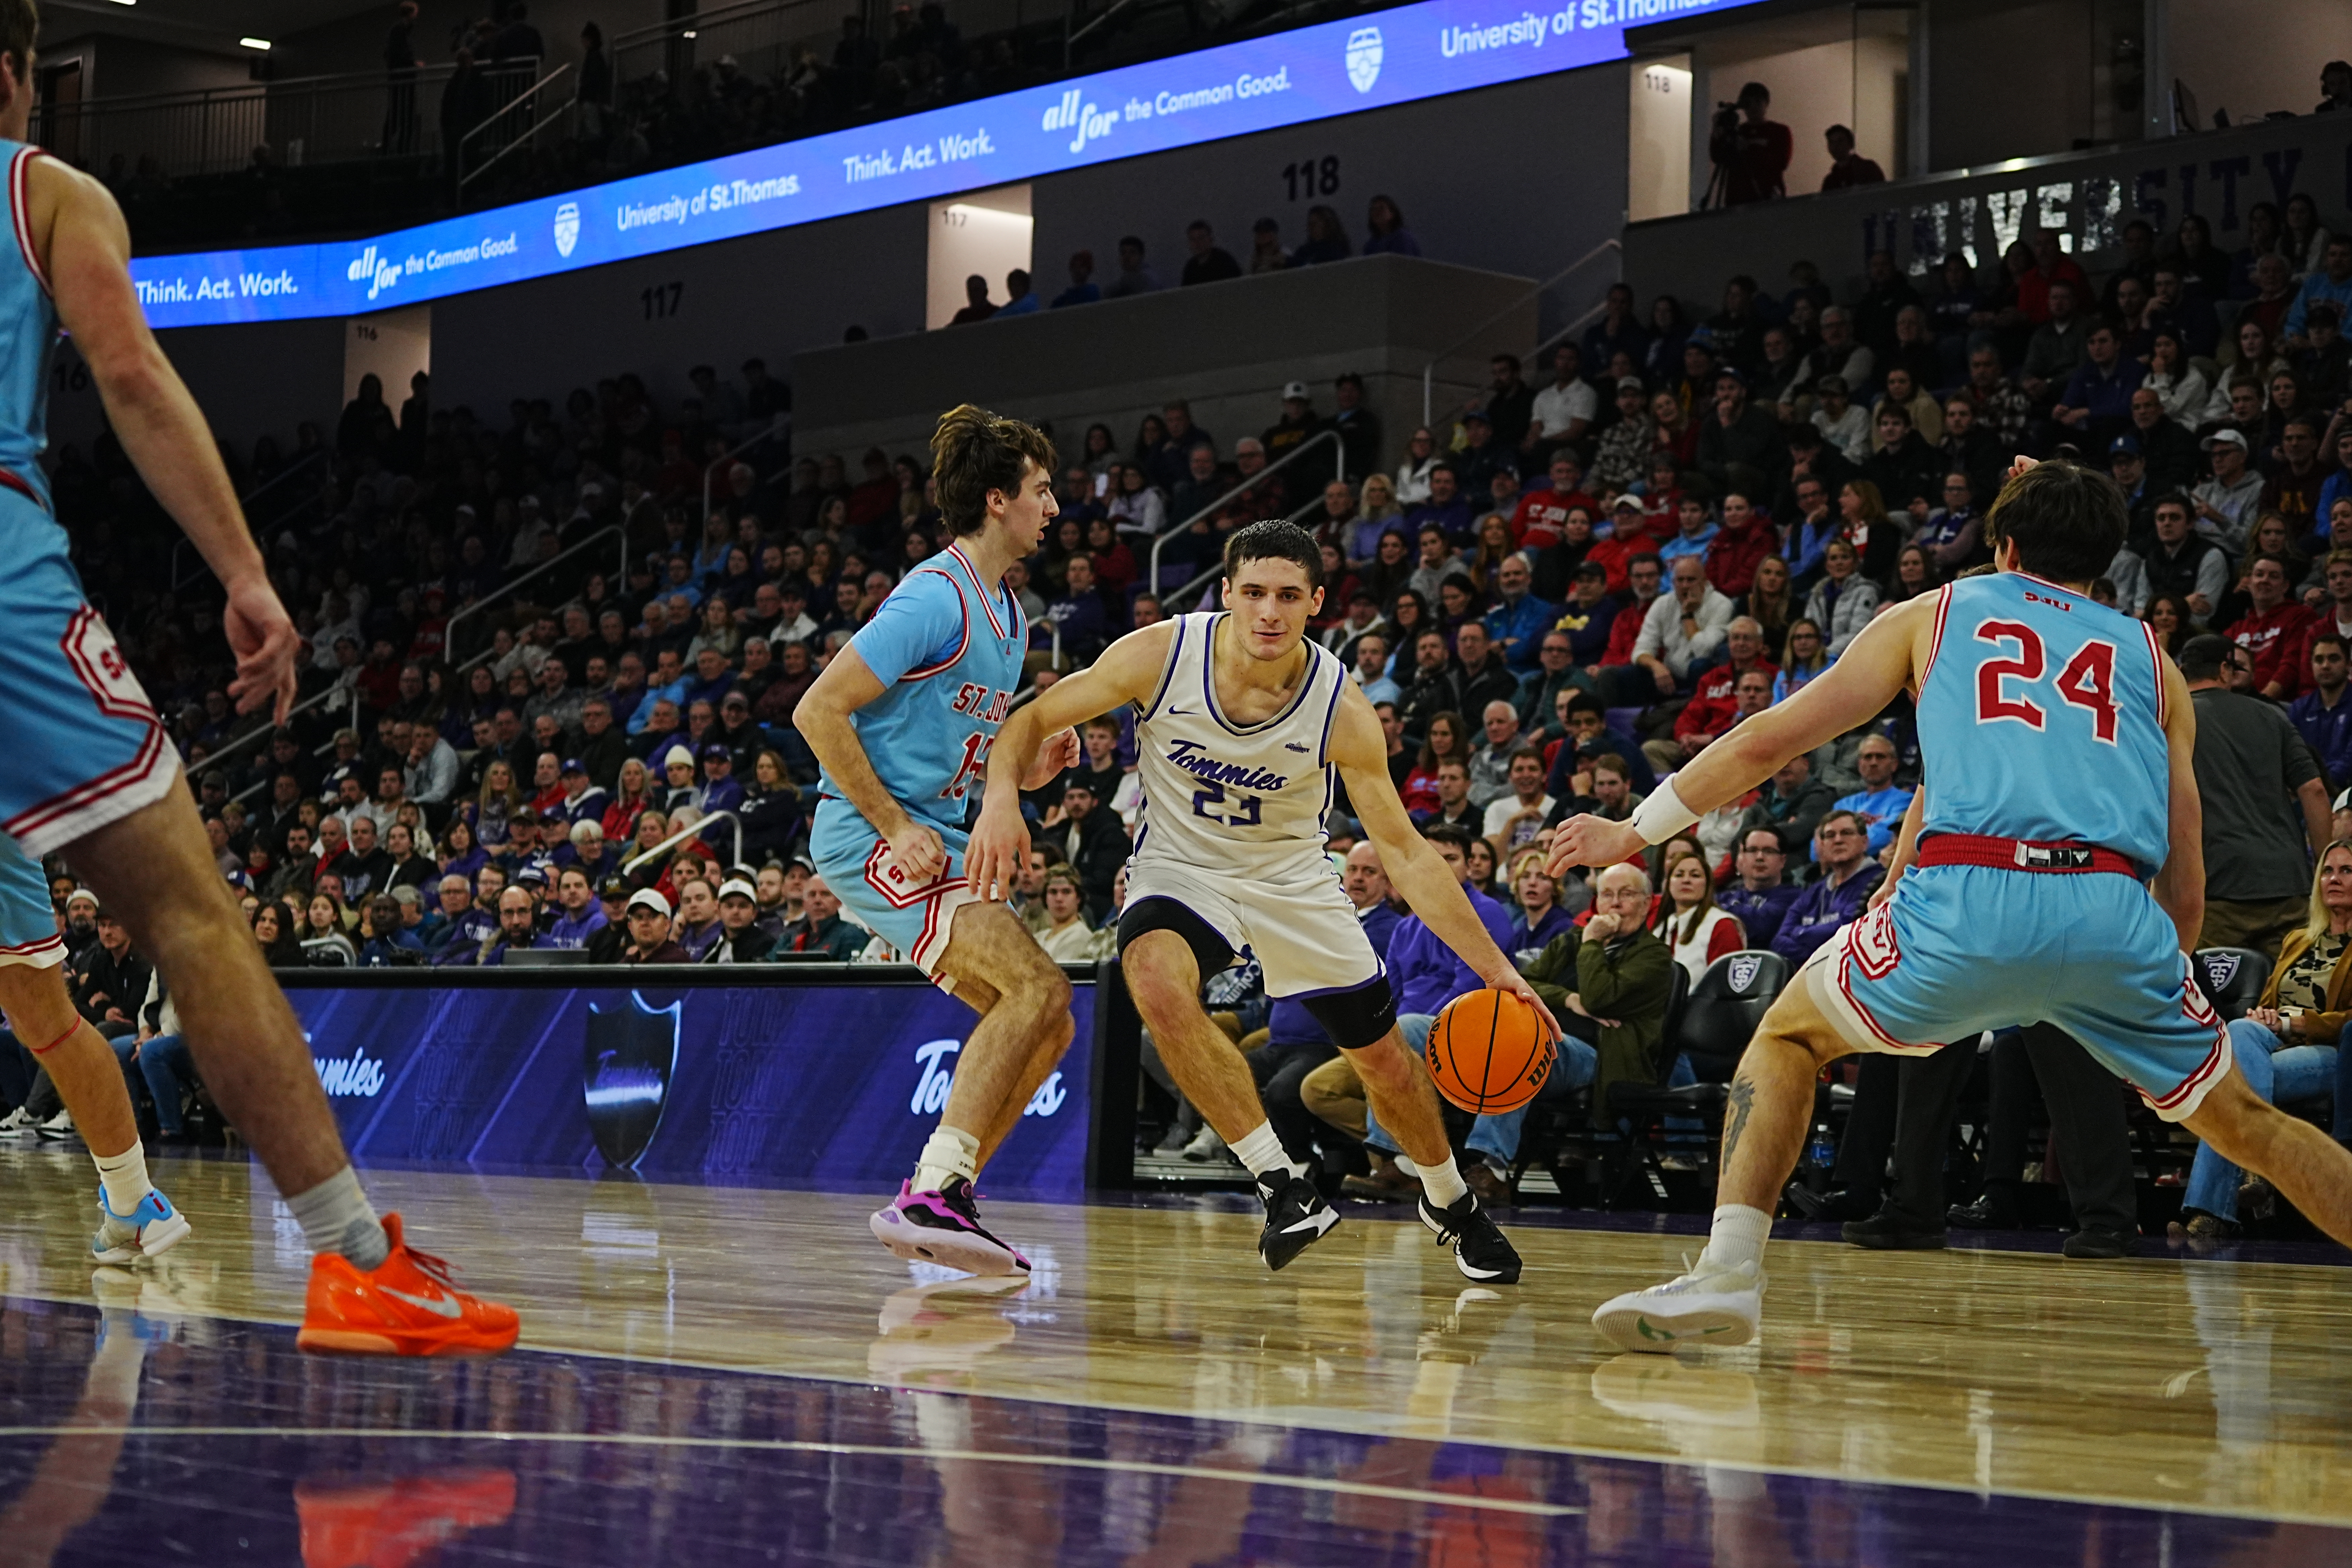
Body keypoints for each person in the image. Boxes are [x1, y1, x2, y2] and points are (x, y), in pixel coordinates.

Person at [1552, 457, 2352, 1352]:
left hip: (1972, 892)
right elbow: (2188, 869)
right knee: (2246, 1120)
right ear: (2109, 559)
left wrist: (1631, 831)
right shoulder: (2153, 661)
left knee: (1787, 1039)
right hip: (2114, 907)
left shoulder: (1936, 614)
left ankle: (1730, 1274)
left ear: (2003, 545)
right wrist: (2159, 989)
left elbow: (1768, 740)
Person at [0, 20, 513, 1355]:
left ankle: (142, 1201)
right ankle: (355, 1263)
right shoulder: (45, 187)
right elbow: (128, 370)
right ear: (25, 75)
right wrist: (243, 573)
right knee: (191, 916)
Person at [973, 521, 1556, 1281]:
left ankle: (1449, 1199)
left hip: (1293, 878)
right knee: (1151, 977)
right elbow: (1032, 718)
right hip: (1182, 867)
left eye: (1287, 595)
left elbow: (1407, 853)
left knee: (1382, 1059)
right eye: (1253, 593)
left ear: (1317, 602)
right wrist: (999, 797)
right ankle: (1283, 1184)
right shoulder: (1160, 654)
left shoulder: (1339, 706)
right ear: (1227, 594)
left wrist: (1497, 970)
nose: (1269, 612)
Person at [795, 405, 1084, 1277]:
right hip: (870, 834)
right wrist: (894, 824)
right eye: (1041, 491)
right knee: (1037, 984)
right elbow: (818, 709)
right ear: (998, 501)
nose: (1054, 508)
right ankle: (934, 1188)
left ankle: (944, 1195)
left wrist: (1028, 773)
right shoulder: (935, 595)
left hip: (936, 831)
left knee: (1049, 1021)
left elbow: (964, 747)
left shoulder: (1012, 613)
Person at [2175, 839, 2352, 1239]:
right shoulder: (2298, 940)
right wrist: (2264, 1014)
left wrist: (2294, 1024)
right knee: (2241, 1030)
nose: (2334, 879)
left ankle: (2215, 1207)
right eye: (2328, 870)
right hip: (2272, 1045)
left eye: (2346, 871)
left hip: (2330, 1054)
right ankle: (2247, 1180)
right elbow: (2272, 998)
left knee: (2225, 1084)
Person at [2180, 635, 2334, 956]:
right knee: (2291, 997)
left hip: (2215, 889)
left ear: (2182, 672)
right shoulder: (2271, 716)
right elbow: (2315, 790)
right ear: (2225, 670)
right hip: (2287, 885)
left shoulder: (2172, 720)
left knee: (2211, 999)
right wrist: (2323, 866)